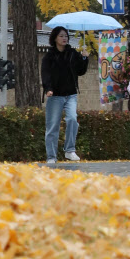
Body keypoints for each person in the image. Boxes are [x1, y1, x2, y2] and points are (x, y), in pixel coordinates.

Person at [41, 26, 89, 165]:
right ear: (55, 38)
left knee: (73, 119)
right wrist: (48, 89)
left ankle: (69, 150)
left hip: (71, 94)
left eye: (66, 36)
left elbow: (80, 71)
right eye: (61, 36)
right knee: (52, 127)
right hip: (55, 96)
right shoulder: (49, 56)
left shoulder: (72, 53)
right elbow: (45, 74)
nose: (64, 38)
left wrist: (85, 58)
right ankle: (51, 156)